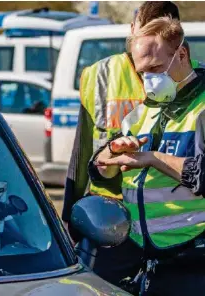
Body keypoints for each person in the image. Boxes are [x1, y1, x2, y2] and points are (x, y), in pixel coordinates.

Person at [62, 1, 203, 234]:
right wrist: (69, 214)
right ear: (133, 31)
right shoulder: (102, 76)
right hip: (109, 210)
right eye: (145, 33)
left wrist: (153, 158)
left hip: (176, 230)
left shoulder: (190, 86)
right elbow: (82, 153)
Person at [89, 17, 205, 295]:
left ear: (182, 54)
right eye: (142, 73)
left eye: (155, 68)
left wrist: (152, 158)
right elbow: (100, 170)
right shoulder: (142, 113)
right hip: (138, 250)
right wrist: (111, 155)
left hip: (191, 254)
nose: (149, 79)